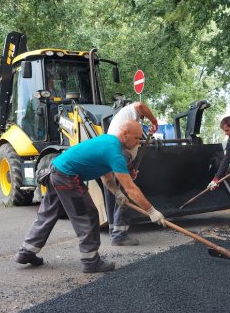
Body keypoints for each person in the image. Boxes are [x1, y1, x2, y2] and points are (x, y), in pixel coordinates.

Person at [15, 120, 166, 273]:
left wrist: (117, 193)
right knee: (87, 214)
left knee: (47, 214)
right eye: (136, 138)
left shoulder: (109, 143)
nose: (138, 143)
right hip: (67, 176)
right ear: (125, 135)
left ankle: (26, 252)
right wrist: (151, 211)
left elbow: (106, 178)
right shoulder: (114, 152)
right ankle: (90, 260)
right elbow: (131, 188)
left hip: (57, 171)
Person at [103, 101, 159, 246]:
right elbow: (141, 105)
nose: (137, 140)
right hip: (121, 155)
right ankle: (119, 235)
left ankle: (114, 231)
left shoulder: (126, 121)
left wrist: (130, 167)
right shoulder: (130, 111)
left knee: (114, 193)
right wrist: (154, 121)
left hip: (120, 157)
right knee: (125, 193)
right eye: (136, 138)